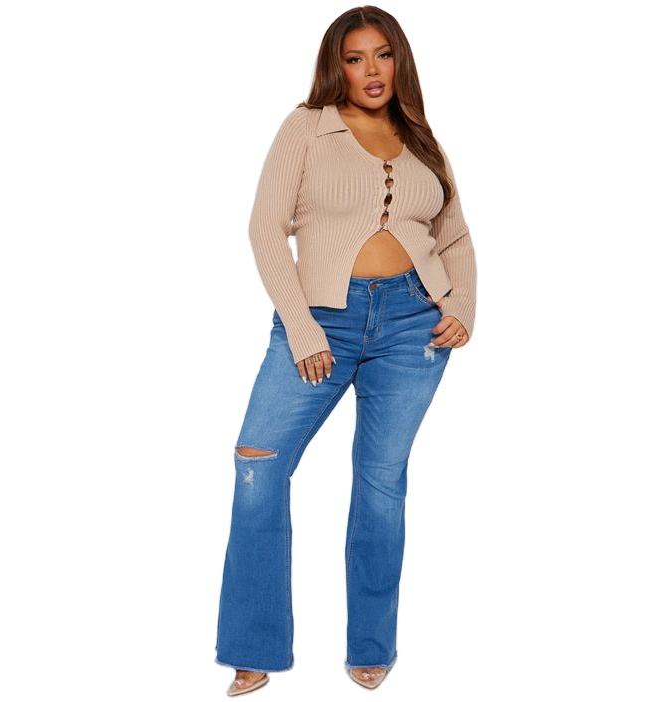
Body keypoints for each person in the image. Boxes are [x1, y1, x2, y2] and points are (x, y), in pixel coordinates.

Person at [215, 6, 477, 695]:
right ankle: (253, 646)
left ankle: (371, 644)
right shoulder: (307, 127)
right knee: (259, 464)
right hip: (320, 323)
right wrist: (302, 329)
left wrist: (462, 309)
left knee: (381, 484)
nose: (371, 71)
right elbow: (265, 230)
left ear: (400, 62)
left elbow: (454, 235)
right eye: (355, 58)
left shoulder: (421, 138)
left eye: (383, 55)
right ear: (338, 66)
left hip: (412, 327)